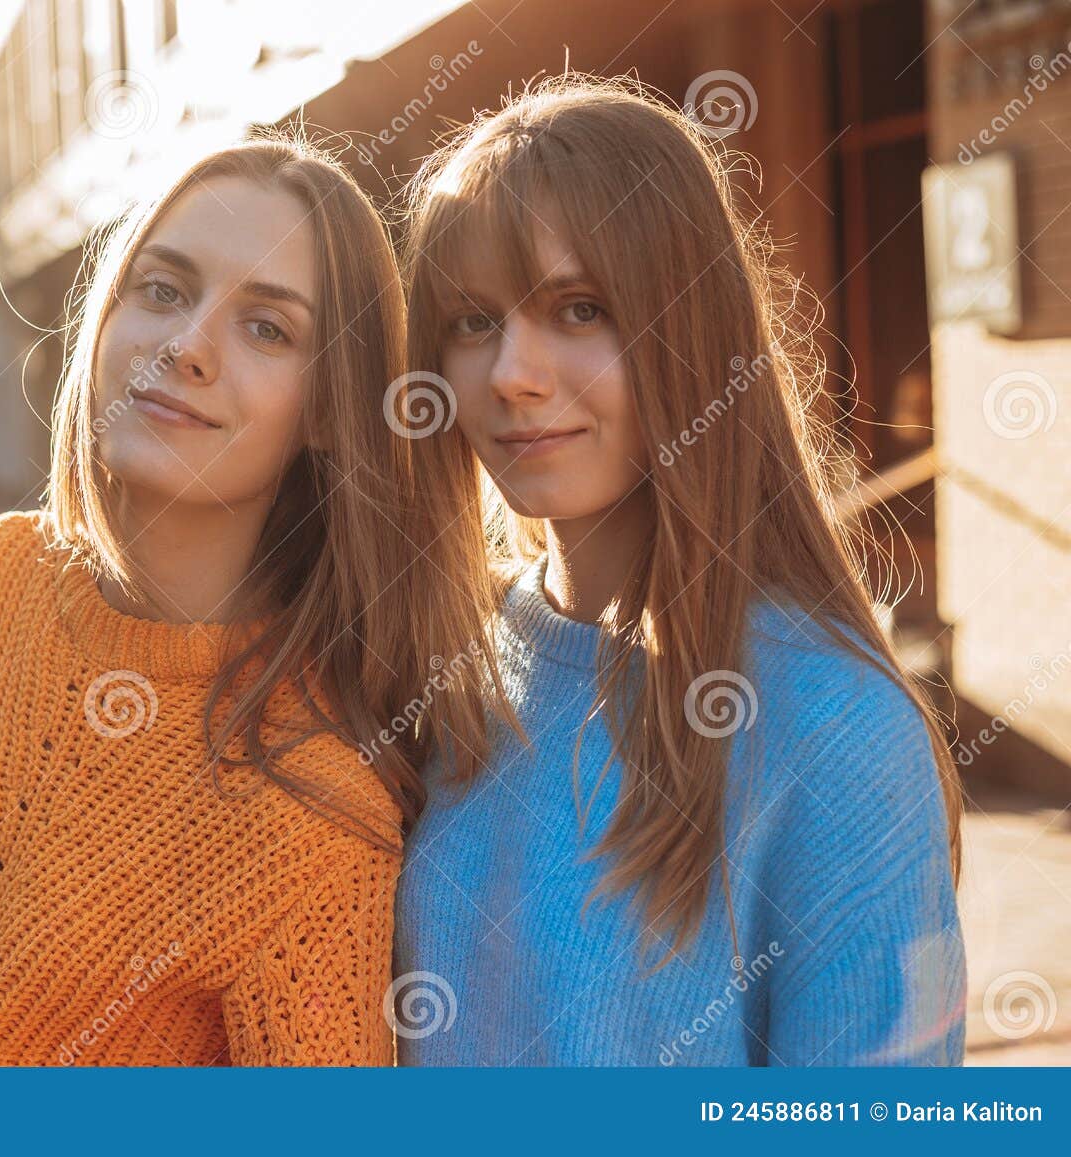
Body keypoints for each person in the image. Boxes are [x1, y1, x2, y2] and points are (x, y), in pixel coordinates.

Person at [0, 134, 505, 1066]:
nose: (185, 346)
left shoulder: (316, 815)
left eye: (267, 328)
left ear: (333, 408)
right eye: (164, 290)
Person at [392, 77, 967, 1066]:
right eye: (471, 320)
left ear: (691, 333)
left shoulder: (835, 731)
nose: (511, 373)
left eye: (578, 308)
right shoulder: (439, 681)